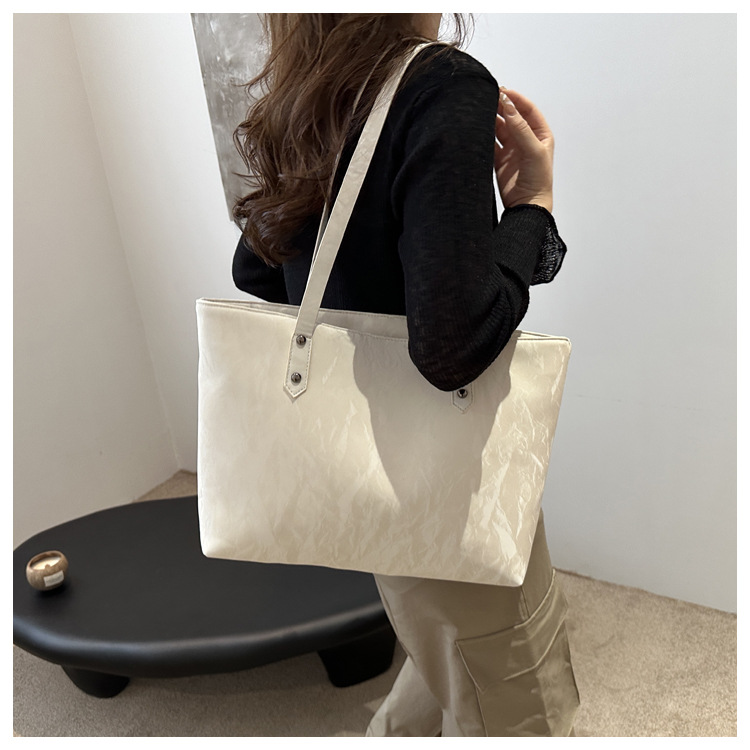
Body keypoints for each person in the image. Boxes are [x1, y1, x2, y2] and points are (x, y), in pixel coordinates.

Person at [231, 13, 580, 737]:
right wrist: (531, 208)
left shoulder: (314, 85)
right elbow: (453, 346)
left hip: (371, 466)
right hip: (450, 477)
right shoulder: (440, 85)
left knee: (443, 654)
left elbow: (257, 269)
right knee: (514, 695)